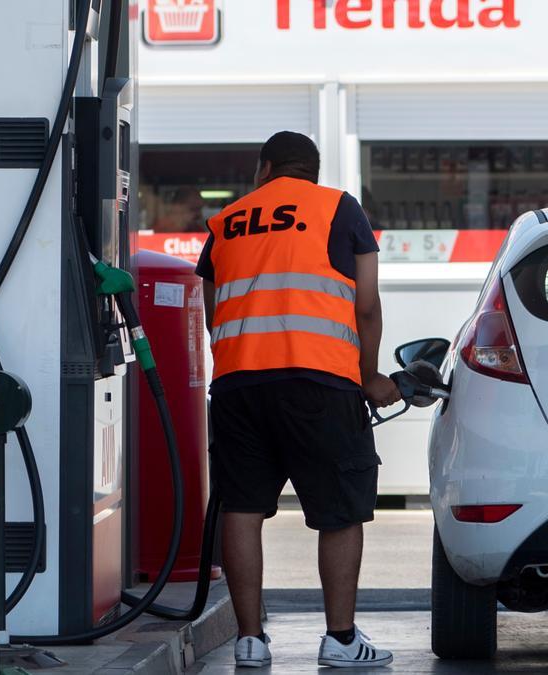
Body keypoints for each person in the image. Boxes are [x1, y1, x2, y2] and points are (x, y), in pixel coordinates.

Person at [196, 131, 400, 669]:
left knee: (241, 508)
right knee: (339, 511)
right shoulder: (338, 208)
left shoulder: (227, 220)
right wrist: (370, 376)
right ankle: (340, 640)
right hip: (321, 382)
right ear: (311, 169)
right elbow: (368, 305)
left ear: (264, 168)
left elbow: (212, 308)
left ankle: (249, 641)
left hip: (239, 385)